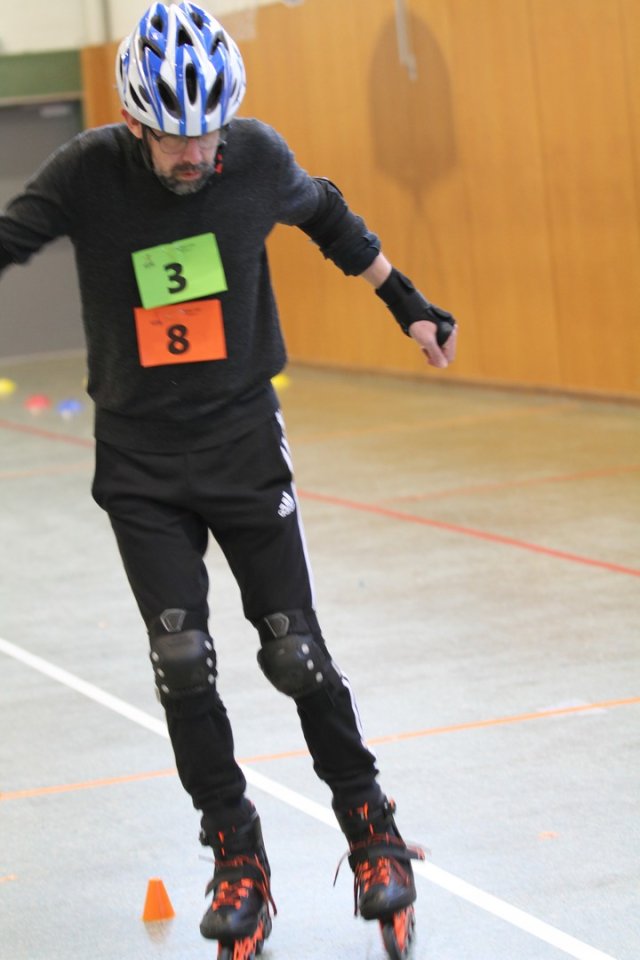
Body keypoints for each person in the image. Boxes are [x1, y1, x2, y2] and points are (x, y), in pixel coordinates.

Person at [0, 3, 457, 955]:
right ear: (134, 121)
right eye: (175, 137)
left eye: (208, 132)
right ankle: (236, 853)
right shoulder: (86, 171)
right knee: (181, 661)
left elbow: (329, 216)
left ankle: (372, 830)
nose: (196, 153)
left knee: (294, 650)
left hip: (243, 442)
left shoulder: (254, 157)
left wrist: (408, 303)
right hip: (140, 460)